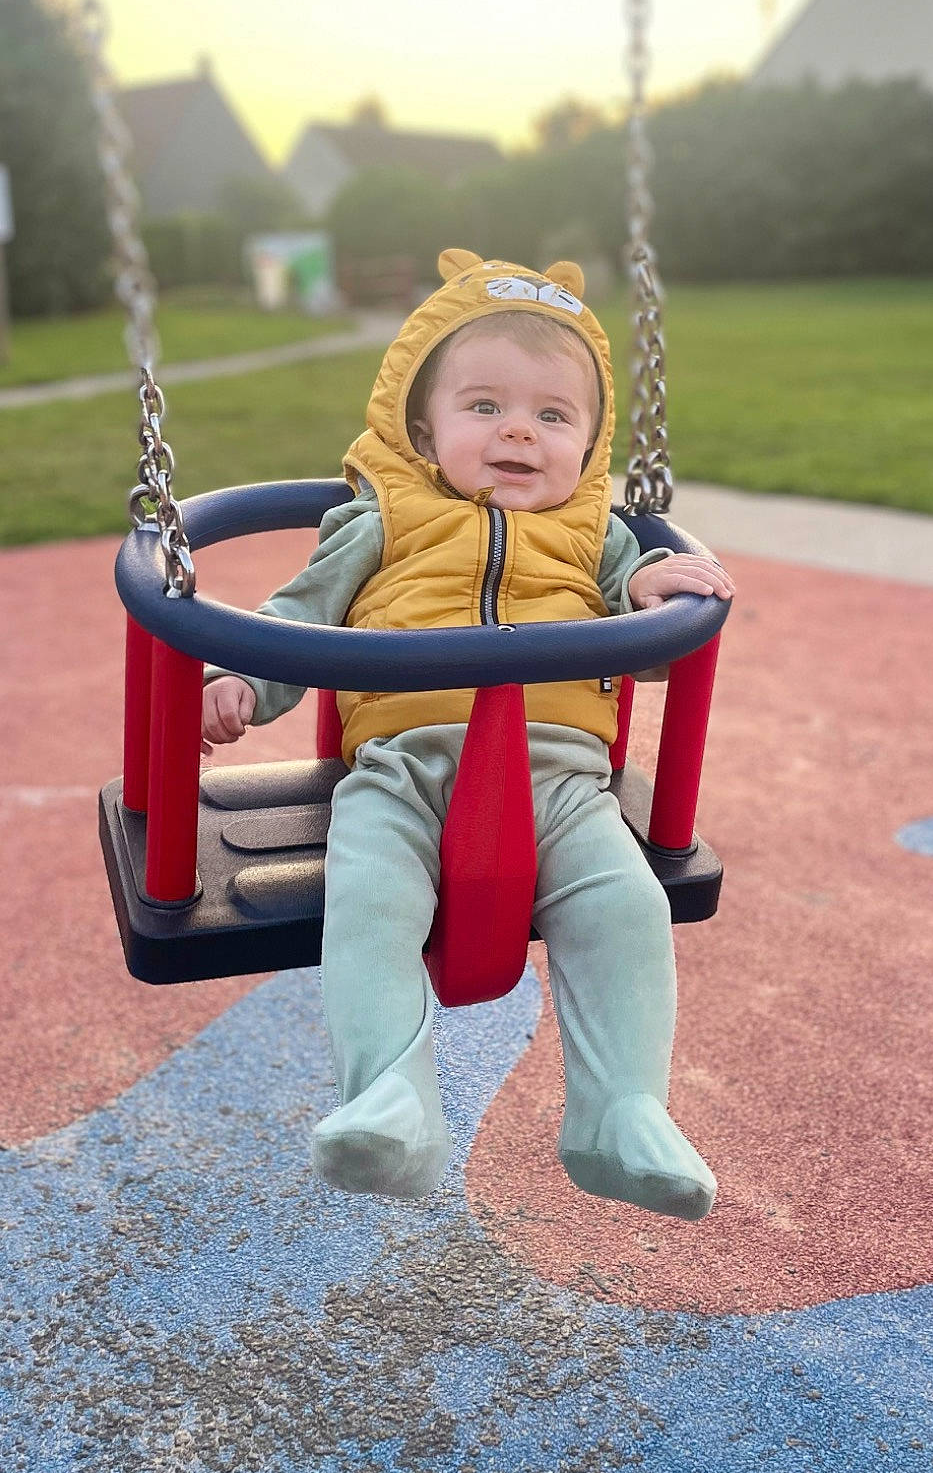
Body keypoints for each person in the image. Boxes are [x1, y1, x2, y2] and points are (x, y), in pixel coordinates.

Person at [201, 249, 735, 1217]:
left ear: (589, 441)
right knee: (370, 902)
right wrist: (240, 676)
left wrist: (652, 591)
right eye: (483, 406)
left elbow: (647, 643)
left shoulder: (601, 534)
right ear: (423, 425)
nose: (518, 431)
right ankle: (390, 1098)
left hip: (562, 779)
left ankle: (620, 1112)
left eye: (553, 414)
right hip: (401, 768)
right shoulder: (384, 519)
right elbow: (302, 610)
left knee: (627, 911)